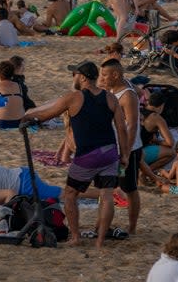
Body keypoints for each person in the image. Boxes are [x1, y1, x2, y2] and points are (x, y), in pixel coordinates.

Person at [21, 61, 129, 247]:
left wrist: (27, 116)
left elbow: (47, 115)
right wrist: (124, 155)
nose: (73, 77)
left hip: (88, 155)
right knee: (107, 196)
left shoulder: (74, 97)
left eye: (75, 74)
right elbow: (121, 128)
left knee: (70, 194)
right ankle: (100, 240)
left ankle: (76, 237)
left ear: (83, 77)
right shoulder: (110, 98)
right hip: (110, 153)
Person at [101, 58, 143, 236]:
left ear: (116, 75)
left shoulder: (127, 96)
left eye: (104, 75)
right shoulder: (112, 88)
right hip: (111, 149)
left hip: (128, 151)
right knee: (107, 187)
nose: (101, 78)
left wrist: (126, 152)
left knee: (129, 188)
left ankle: (132, 226)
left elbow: (132, 125)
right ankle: (103, 223)